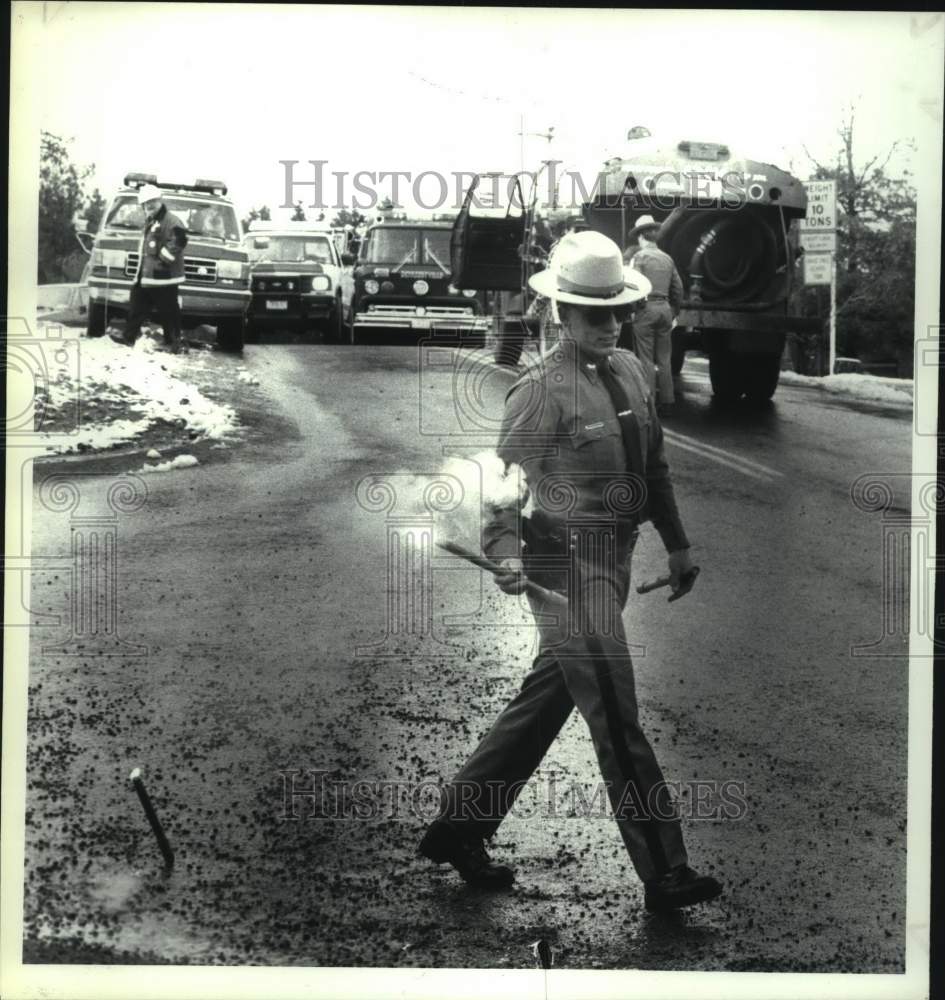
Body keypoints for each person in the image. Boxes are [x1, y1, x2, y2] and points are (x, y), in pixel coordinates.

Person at [418, 231, 723, 913]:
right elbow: (500, 485)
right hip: (560, 567)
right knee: (614, 713)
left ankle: (459, 827)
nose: (607, 324)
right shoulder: (538, 390)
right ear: (560, 313)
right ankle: (664, 871)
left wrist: (676, 544)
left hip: (613, 560)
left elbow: (652, 470)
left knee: (548, 697)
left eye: (615, 311)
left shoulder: (631, 372)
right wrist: (502, 555)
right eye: (591, 313)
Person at [113, 183, 188, 353]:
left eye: (152, 202)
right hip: (147, 275)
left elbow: (179, 241)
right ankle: (129, 337)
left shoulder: (171, 220)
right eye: (146, 203)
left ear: (159, 200)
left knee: (169, 310)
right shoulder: (152, 220)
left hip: (164, 276)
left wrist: (163, 260)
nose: (149, 205)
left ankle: (175, 342)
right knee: (136, 305)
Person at [624, 214, 684, 414]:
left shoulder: (639, 258)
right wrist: (674, 310)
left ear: (641, 236)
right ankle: (667, 401)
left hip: (646, 310)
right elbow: (678, 289)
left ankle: (648, 402)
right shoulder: (668, 258)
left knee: (646, 359)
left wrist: (633, 309)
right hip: (665, 310)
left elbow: (635, 285)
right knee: (664, 358)